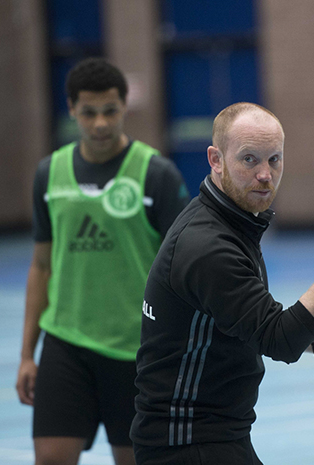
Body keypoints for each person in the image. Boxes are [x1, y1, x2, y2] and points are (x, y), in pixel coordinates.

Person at [130, 102, 314, 465]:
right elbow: (281, 338)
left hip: (212, 435)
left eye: (274, 159)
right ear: (216, 159)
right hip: (187, 444)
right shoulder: (208, 247)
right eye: (249, 159)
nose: (265, 174)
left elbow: (248, 321)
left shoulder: (230, 222)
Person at [15, 57, 190, 465]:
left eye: (109, 111)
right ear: (72, 108)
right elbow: (41, 266)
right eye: (89, 112)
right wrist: (28, 354)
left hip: (135, 353)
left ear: (124, 106)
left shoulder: (156, 175)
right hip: (65, 345)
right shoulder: (48, 175)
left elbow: (184, 269)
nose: (99, 123)